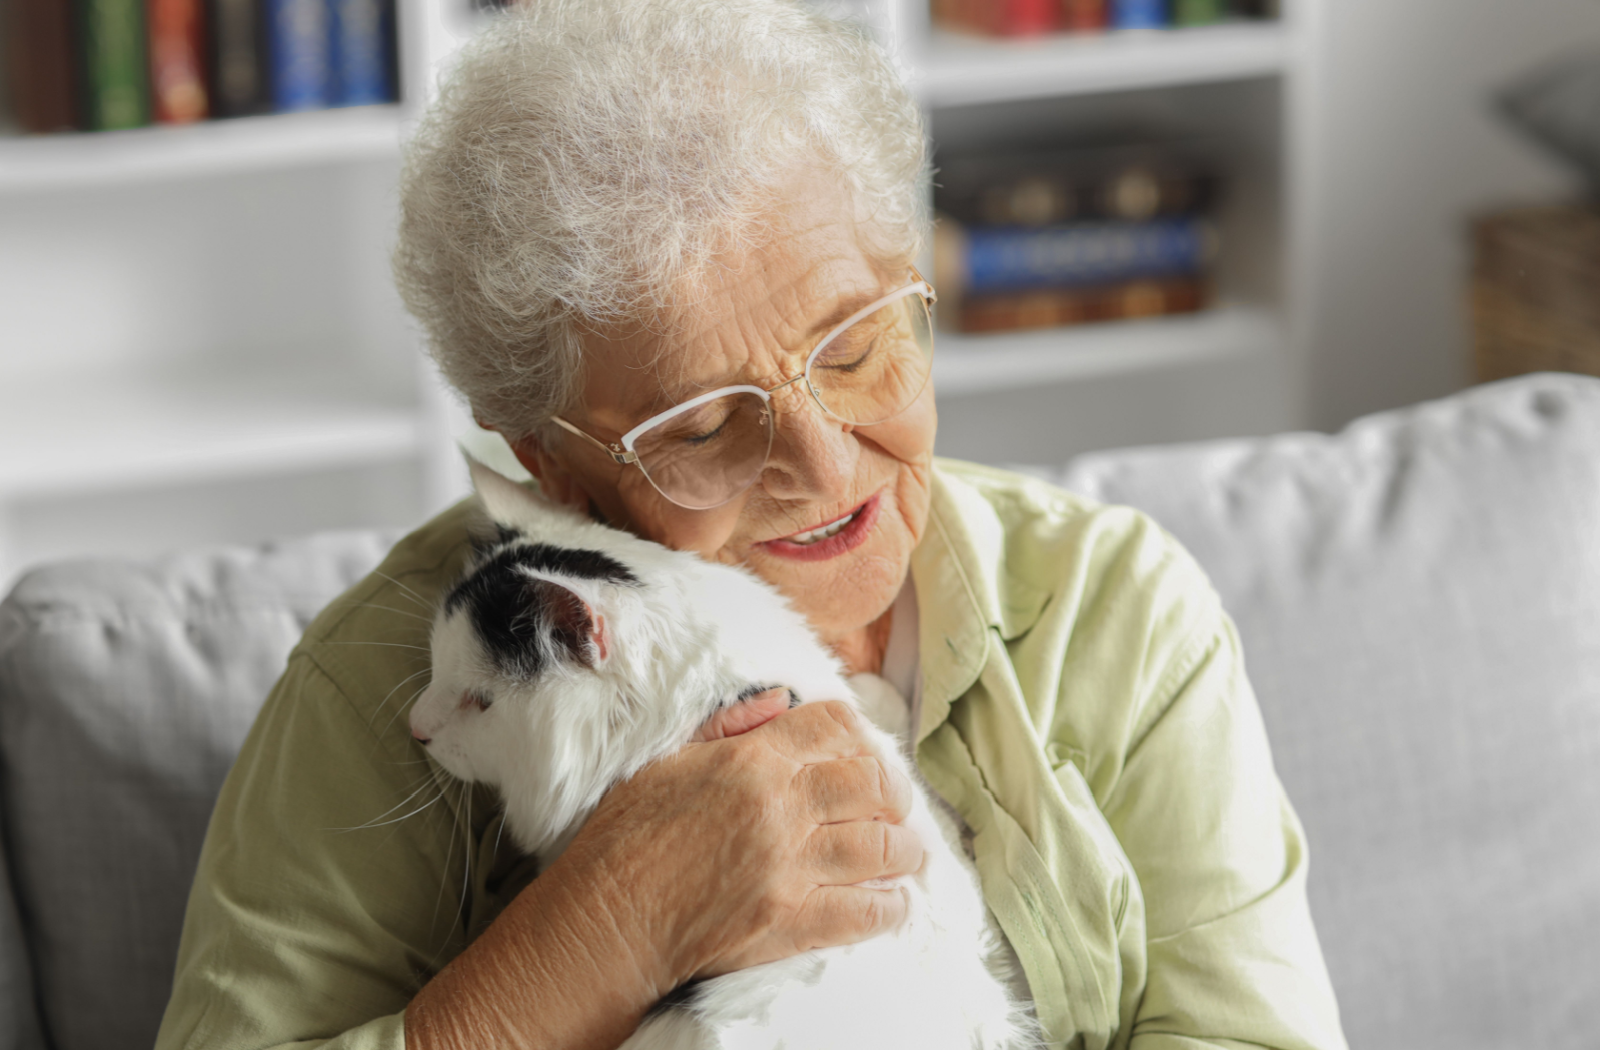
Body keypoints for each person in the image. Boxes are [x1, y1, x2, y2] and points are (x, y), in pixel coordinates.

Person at [154, 2, 1348, 1048]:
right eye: (701, 425)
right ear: (550, 469)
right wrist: (601, 938)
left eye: (858, 342)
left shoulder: (1117, 613)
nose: (825, 464)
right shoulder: (381, 689)